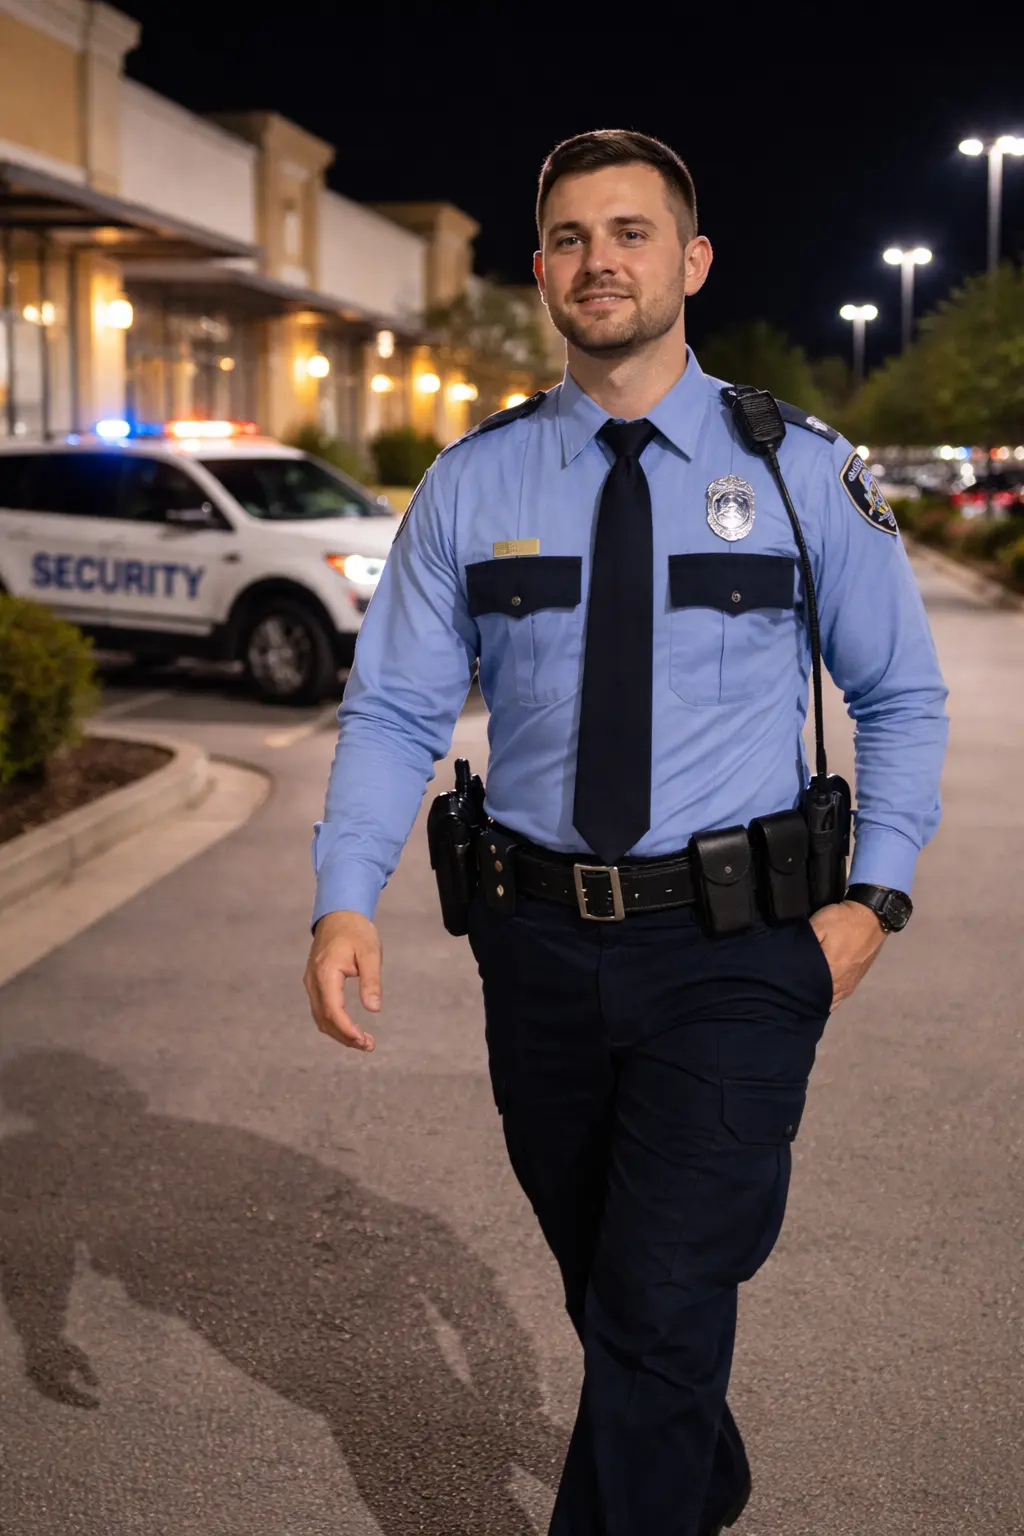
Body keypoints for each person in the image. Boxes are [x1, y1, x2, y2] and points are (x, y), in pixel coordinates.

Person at [303, 129, 949, 1536]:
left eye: (633, 232)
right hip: (534, 949)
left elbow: (899, 692)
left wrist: (875, 898)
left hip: (736, 951)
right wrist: (343, 894)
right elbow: (396, 711)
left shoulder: (797, 471)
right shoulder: (476, 482)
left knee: (655, 1301)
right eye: (573, 238)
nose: (603, 260)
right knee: (615, 1285)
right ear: (540, 271)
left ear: (691, 260)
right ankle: (691, 1473)